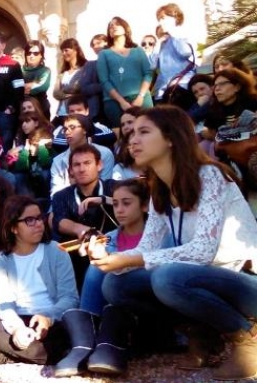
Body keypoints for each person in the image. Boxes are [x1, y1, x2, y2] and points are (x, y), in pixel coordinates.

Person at [83, 106, 257, 379]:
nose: (132, 138)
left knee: (167, 277)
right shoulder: (159, 191)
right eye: (132, 132)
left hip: (245, 282)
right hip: (205, 281)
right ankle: (202, 335)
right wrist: (109, 257)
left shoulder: (209, 175)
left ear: (171, 138)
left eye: (144, 132)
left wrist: (130, 259)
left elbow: (202, 251)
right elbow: (147, 249)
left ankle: (248, 338)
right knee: (116, 283)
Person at [53, 178, 149, 377]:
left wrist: (112, 262)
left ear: (145, 205)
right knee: (97, 266)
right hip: (116, 307)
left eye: (127, 203)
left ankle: (107, 342)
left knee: (106, 270)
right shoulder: (110, 237)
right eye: (115, 204)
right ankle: (86, 342)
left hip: (146, 307)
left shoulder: (157, 233)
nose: (119, 209)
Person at [0, 195, 78, 367]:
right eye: (30, 220)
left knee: (63, 336)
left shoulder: (56, 251)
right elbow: (3, 304)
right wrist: (17, 329)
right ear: (13, 227)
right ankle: (42, 354)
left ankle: (1, 355)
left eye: (39, 218)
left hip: (51, 322)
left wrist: (48, 318)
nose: (39, 223)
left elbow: (70, 298)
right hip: (16, 321)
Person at [51, 144, 117, 291]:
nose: (81, 169)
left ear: (99, 165)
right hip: (77, 256)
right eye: (77, 165)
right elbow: (60, 221)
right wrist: (81, 229)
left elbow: (137, 200)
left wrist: (105, 199)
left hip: (114, 249)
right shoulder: (61, 196)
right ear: (71, 171)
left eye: (87, 163)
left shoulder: (114, 187)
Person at [97, 17, 154, 129]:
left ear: (125, 28)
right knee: (122, 134)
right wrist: (121, 101)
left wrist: (141, 97)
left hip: (141, 98)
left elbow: (148, 73)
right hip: (114, 102)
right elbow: (104, 80)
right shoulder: (104, 54)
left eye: (117, 24)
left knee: (149, 128)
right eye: (111, 26)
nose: (113, 27)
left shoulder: (138, 50)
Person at [49, 114, 115, 195]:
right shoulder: (57, 161)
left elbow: (105, 187)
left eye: (72, 127)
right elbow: (55, 194)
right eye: (65, 129)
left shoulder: (105, 153)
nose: (67, 132)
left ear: (85, 129)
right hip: (67, 203)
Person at [152, 4, 197, 110]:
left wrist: (173, 32)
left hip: (182, 87)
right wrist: (158, 43)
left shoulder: (184, 33)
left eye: (163, 18)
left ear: (174, 17)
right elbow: (152, 65)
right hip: (164, 91)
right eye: (159, 19)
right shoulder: (163, 42)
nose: (160, 22)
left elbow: (185, 52)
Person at [7, 110, 54, 197]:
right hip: (29, 176)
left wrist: (23, 151)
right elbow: (21, 165)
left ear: (36, 123)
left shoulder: (45, 138)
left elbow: (44, 161)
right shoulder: (23, 139)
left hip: (42, 177)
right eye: (22, 122)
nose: (24, 125)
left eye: (27, 121)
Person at [21, 40, 51, 120]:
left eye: (35, 53)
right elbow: (14, 88)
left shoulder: (45, 70)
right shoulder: (19, 71)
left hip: (41, 108)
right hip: (23, 109)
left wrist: (23, 88)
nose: (31, 56)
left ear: (41, 55)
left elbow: (42, 86)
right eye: (29, 53)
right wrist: (32, 84)